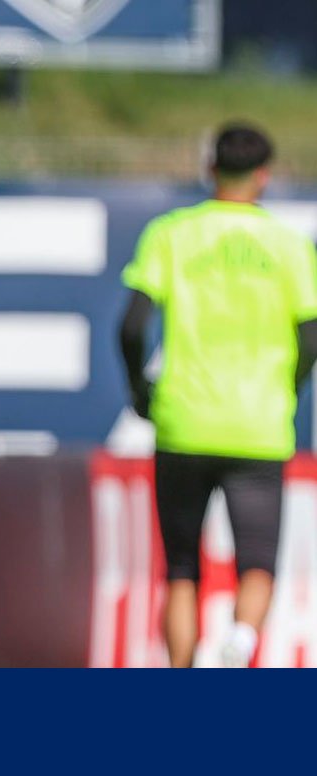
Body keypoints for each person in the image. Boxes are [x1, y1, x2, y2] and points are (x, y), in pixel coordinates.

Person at [118, 123, 317, 668]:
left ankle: (181, 675)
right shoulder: (289, 245)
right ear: (264, 176)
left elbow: (133, 326)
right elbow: (311, 335)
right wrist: (287, 387)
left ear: (210, 170)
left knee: (181, 568)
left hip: (183, 420)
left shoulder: (172, 234)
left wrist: (141, 391)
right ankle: (242, 641)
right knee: (257, 565)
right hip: (258, 423)